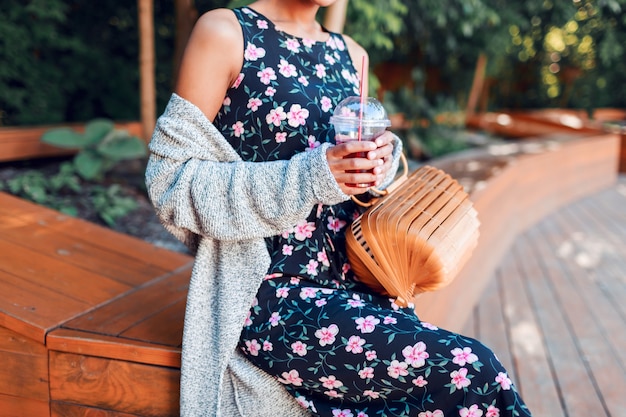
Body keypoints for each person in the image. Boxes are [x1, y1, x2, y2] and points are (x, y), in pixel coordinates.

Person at [146, 1, 533, 416]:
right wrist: (312, 175)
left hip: (366, 282)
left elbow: (356, 180)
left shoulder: (351, 53)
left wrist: (379, 164)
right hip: (273, 295)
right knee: (473, 373)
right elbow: (169, 181)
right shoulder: (226, 33)